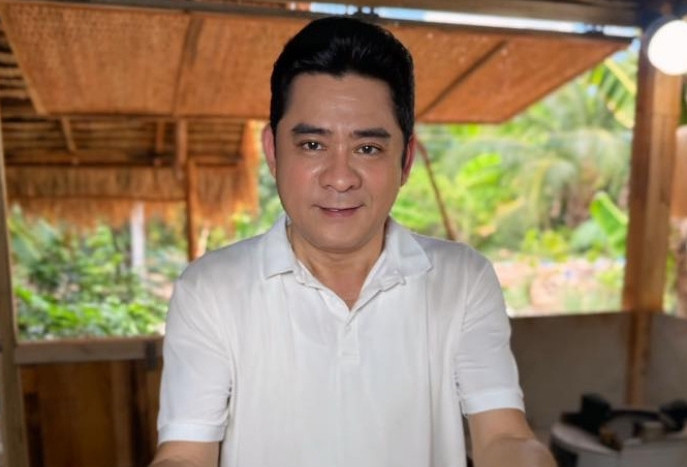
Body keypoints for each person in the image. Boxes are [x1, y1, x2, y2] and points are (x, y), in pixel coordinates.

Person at [151, 16, 555, 467]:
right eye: (312, 145)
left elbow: (502, 436)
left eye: (367, 149)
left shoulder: (463, 280)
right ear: (272, 151)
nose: (340, 178)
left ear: (405, 160)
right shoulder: (210, 289)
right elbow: (185, 454)